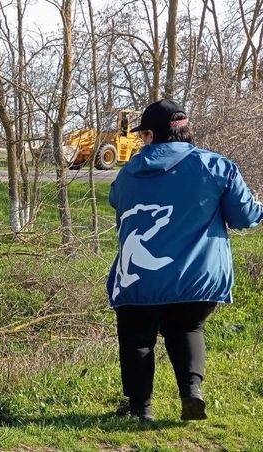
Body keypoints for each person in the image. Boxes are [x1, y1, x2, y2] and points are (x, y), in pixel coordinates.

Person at [107, 99, 262, 422]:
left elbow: (116, 202)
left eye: (143, 135)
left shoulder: (127, 174)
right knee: (187, 327)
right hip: (198, 277)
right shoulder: (215, 167)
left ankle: (140, 409)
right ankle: (191, 392)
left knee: (137, 337)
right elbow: (245, 217)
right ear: (186, 129)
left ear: (150, 134)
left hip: (139, 278)